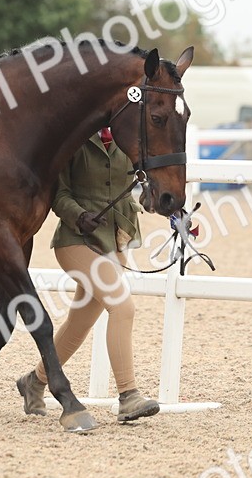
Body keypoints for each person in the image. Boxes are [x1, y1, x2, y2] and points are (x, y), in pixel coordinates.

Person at [16, 126, 161, 423]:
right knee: (122, 307)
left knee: (79, 323)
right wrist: (78, 215)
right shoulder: (74, 134)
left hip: (115, 238)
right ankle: (128, 395)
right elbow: (59, 193)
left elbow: (146, 174)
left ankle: (35, 381)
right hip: (77, 240)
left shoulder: (129, 134)